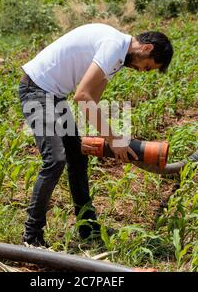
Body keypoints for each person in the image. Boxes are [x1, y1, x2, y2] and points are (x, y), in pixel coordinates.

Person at [18, 23, 173, 247]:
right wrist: (114, 139)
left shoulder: (118, 57)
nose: (141, 71)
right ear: (147, 48)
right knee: (55, 159)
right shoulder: (113, 46)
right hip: (36, 90)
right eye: (146, 67)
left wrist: (107, 137)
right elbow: (82, 96)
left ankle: (87, 227)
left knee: (77, 155)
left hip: (53, 96)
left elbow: (92, 98)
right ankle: (31, 235)